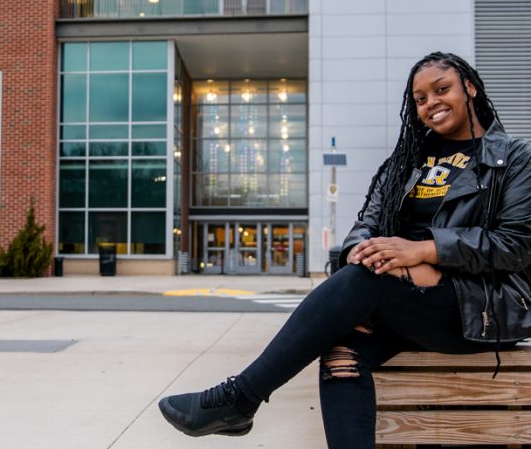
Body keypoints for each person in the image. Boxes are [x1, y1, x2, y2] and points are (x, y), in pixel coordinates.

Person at [158, 52, 531, 448]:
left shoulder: (512, 159)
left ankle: (239, 397)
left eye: (442, 89)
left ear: (469, 88)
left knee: (366, 282)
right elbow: (366, 225)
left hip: (480, 307)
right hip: (402, 297)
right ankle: (238, 402)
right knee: (341, 350)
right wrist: (360, 250)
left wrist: (423, 250)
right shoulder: (406, 163)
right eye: (420, 99)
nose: (431, 103)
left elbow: (515, 246)